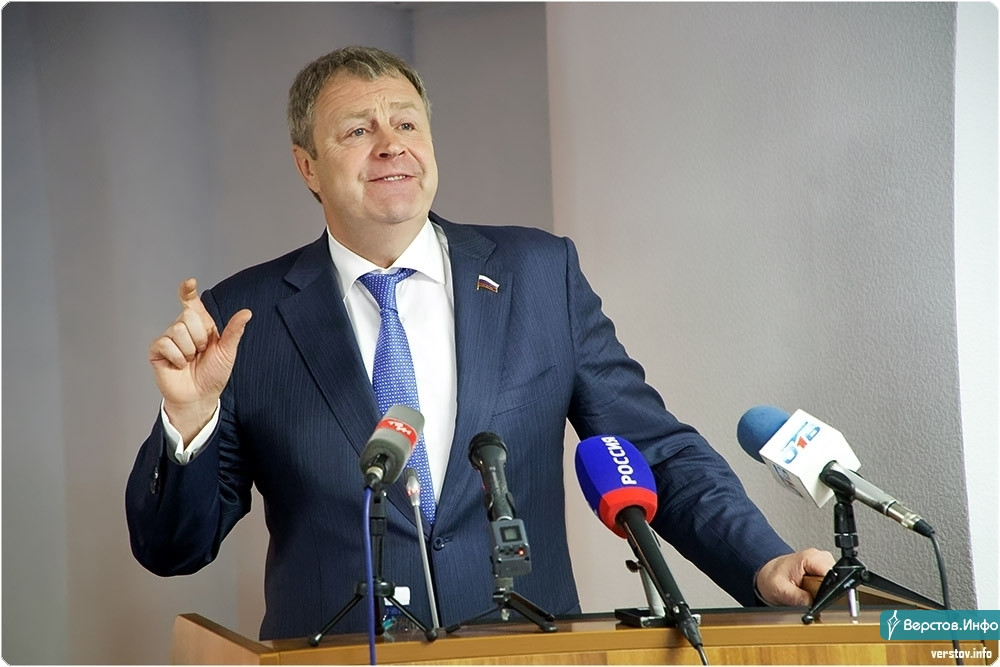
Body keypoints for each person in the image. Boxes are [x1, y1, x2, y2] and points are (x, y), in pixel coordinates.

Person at [126, 45, 834, 641]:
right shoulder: (242, 317)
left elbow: (654, 452)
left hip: (528, 649)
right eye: (357, 130)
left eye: (407, 122)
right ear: (307, 166)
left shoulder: (539, 275)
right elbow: (171, 549)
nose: (391, 143)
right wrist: (187, 421)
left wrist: (761, 563)